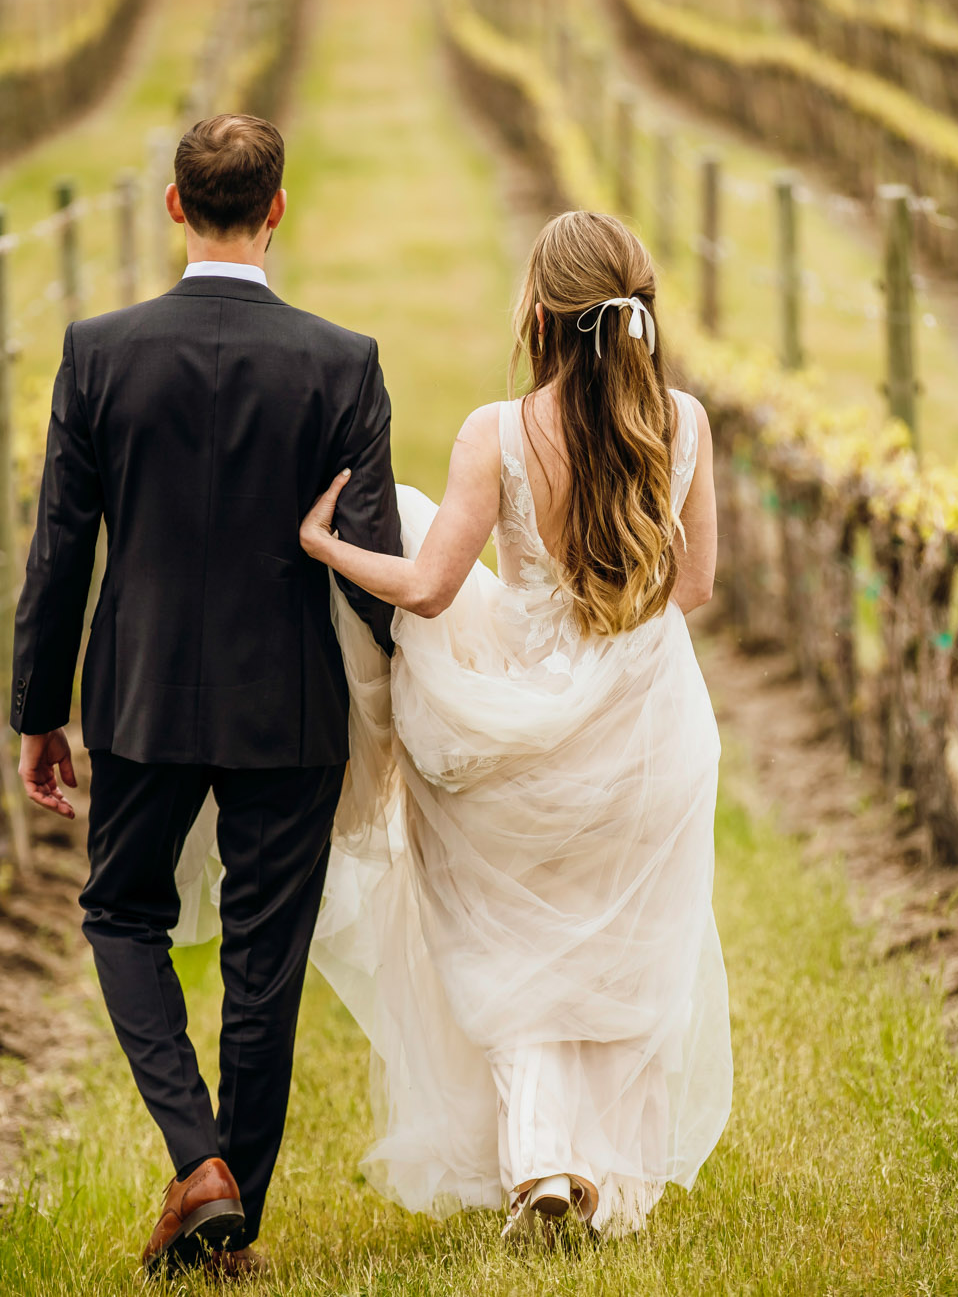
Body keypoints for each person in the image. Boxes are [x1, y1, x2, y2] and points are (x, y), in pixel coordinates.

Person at [10, 112, 402, 1278]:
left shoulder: (98, 350)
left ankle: (197, 1162)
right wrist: (403, 705)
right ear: (277, 208)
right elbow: (370, 562)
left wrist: (41, 706)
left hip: (139, 698)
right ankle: (234, 1210)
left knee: (119, 913)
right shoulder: (344, 361)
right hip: (290, 702)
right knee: (262, 959)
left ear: (174, 206)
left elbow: (58, 550)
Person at [296, 209, 731, 1240]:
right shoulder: (687, 423)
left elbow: (433, 589)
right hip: (643, 724)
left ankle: (539, 1158)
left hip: (510, 722)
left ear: (538, 316)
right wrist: (606, 643)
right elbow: (698, 584)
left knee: (502, 937)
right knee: (615, 942)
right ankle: (600, 1174)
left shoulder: (494, 432)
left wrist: (326, 544)